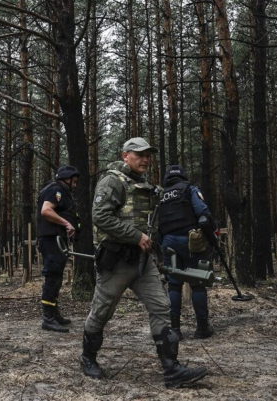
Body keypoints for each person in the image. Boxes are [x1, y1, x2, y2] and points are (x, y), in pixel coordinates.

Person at [80, 137, 207, 388]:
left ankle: (172, 369)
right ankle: (88, 358)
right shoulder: (112, 181)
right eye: (140, 154)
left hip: (142, 261)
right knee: (102, 312)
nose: (146, 159)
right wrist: (136, 236)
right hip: (116, 260)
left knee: (161, 307)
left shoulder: (145, 185)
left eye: (149, 155)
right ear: (125, 155)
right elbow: (100, 216)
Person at [158, 164, 215, 340]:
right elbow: (203, 213)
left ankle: (175, 329)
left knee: (174, 284)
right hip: (191, 241)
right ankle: (202, 328)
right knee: (198, 282)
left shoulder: (161, 196)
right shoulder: (190, 189)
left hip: (168, 241)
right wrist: (211, 234)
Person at [36, 165, 81, 333]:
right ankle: (48, 318)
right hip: (50, 240)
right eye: (74, 182)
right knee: (52, 277)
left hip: (58, 240)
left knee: (56, 277)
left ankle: (54, 314)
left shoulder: (63, 192)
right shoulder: (54, 189)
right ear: (66, 179)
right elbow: (46, 211)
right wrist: (66, 223)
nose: (75, 185)